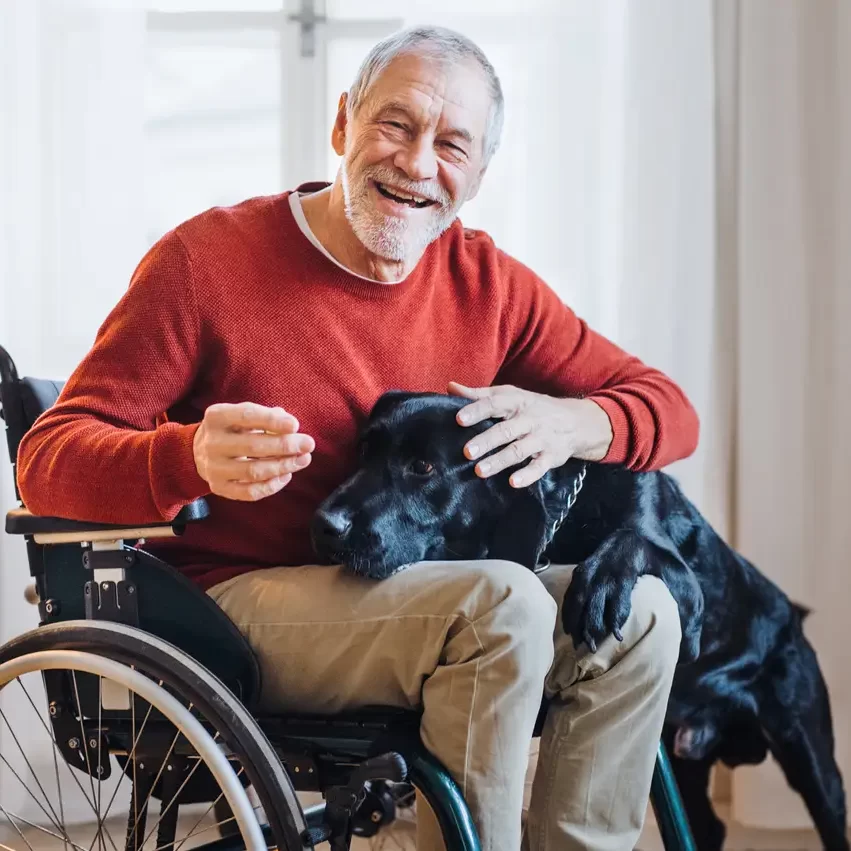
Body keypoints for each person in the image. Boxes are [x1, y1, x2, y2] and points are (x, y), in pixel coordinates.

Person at [17, 25, 699, 851]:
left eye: (451, 144)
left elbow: (669, 411)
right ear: (342, 125)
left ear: (477, 174)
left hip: (417, 597)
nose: (416, 164)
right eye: (394, 124)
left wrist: (574, 420)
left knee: (645, 612)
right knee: (504, 601)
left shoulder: (487, 283)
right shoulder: (206, 261)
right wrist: (185, 455)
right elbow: (47, 460)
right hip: (236, 607)